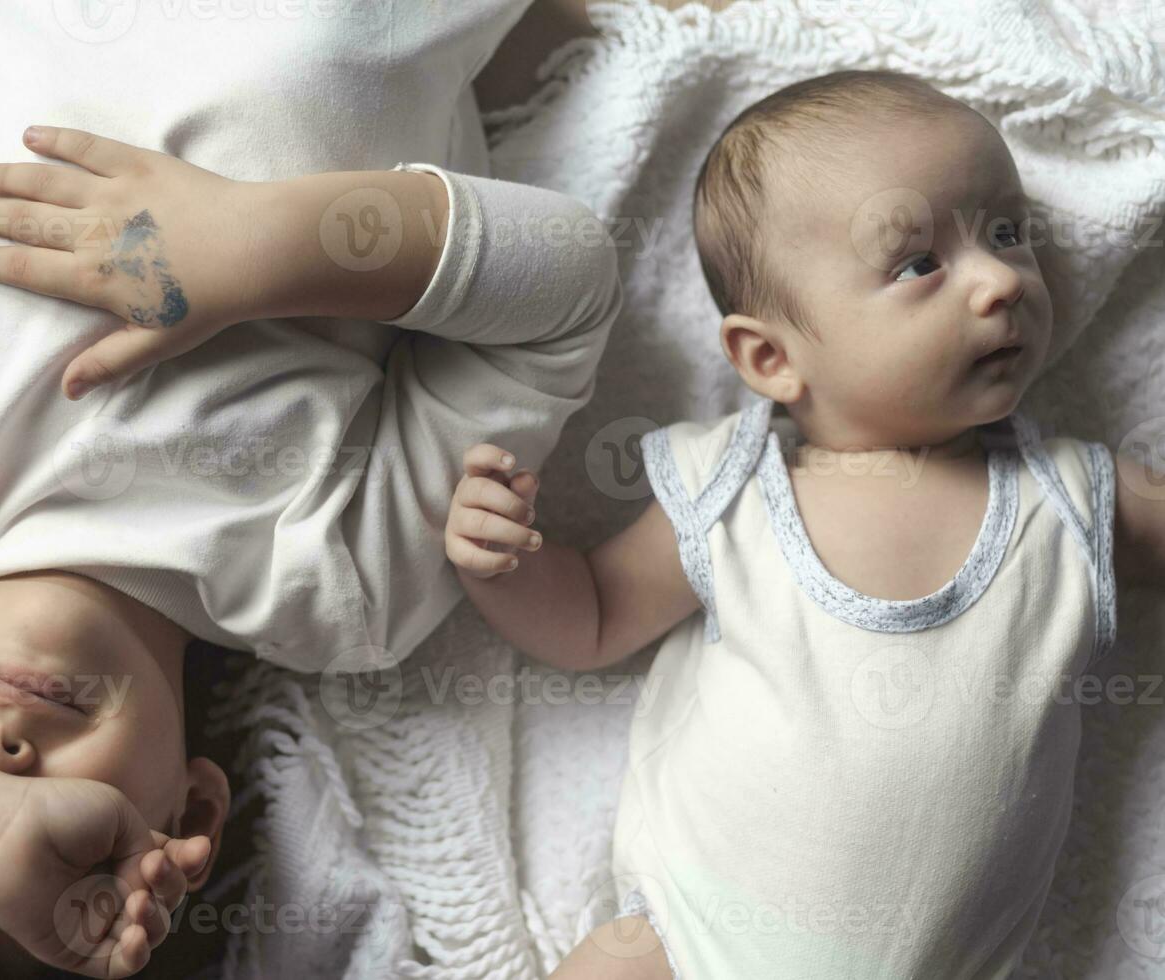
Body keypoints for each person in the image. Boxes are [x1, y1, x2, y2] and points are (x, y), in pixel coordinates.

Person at [0, 3, 623, 977]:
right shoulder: (339, 587)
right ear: (188, 814)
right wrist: (266, 242)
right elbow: (567, 288)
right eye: (53, 840)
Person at [444, 69, 1164, 979]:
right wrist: (503, 561)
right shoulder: (735, 491)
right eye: (918, 265)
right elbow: (588, 618)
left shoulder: (1071, 499)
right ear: (771, 358)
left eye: (1008, 233)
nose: (999, 282)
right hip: (687, 943)